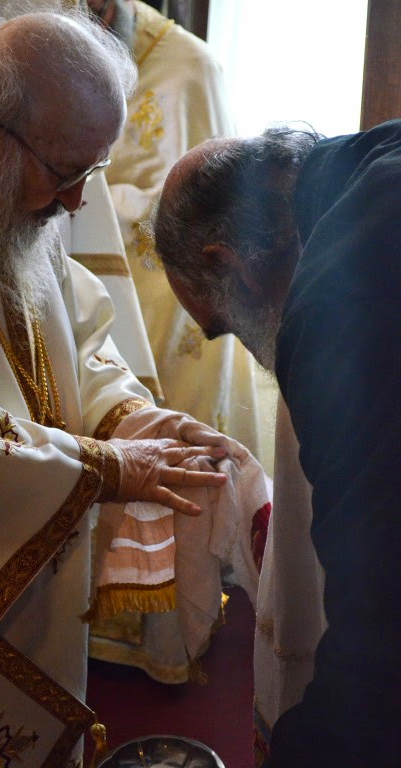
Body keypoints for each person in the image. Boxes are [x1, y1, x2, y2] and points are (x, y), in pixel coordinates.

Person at [0, 10, 236, 765]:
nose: (76, 205)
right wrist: (109, 471)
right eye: (65, 175)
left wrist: (133, 420)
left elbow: (77, 341)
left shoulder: (6, 185)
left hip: (31, 583)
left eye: (91, 173)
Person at [153, 123, 401, 767]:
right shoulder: (374, 157)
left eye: (225, 327)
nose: (255, 350)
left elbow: (383, 616)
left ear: (228, 263)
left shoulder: (334, 311)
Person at [85, 0, 269, 468]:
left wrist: (89, 198)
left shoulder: (191, 68)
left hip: (170, 311)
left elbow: (214, 211)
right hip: (82, 302)